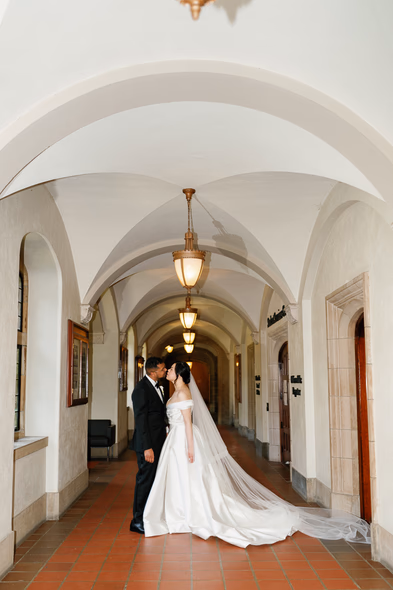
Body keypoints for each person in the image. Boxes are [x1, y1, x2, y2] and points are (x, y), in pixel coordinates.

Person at [143, 361, 371, 548]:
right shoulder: (175, 391)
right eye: (168, 369)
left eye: (171, 369)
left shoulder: (183, 393)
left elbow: (187, 422)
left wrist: (190, 447)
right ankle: (180, 512)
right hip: (174, 439)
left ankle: (191, 514)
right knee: (180, 478)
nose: (168, 371)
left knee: (190, 476)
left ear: (179, 374)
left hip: (184, 440)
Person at [129, 356, 167, 534]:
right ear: (153, 372)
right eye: (162, 369)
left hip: (158, 441)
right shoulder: (141, 389)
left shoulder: (157, 386)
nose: (164, 371)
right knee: (144, 480)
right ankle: (137, 520)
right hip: (147, 444)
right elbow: (141, 420)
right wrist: (147, 447)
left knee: (153, 480)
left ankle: (148, 515)